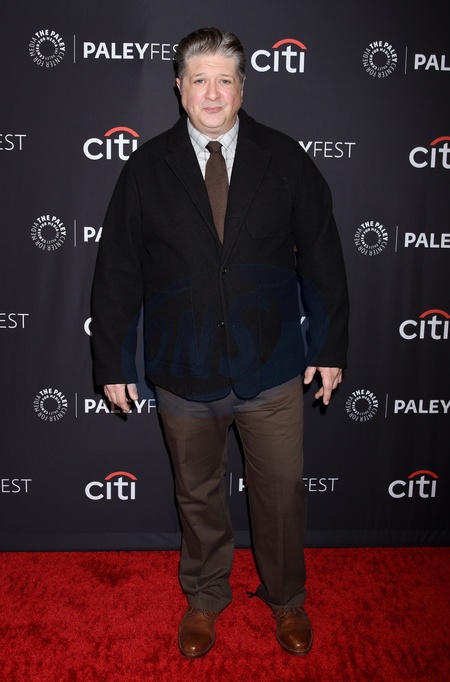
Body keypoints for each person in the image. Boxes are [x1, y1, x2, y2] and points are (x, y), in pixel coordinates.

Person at [91, 27, 349, 659]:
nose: (212, 93)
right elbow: (118, 270)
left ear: (242, 88)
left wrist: (328, 348)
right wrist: (114, 360)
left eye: (224, 80)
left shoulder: (285, 158)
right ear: (180, 89)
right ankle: (205, 597)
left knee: (281, 494)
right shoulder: (146, 168)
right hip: (183, 371)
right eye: (200, 80)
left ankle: (286, 597)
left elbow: (323, 258)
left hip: (273, 368)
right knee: (198, 495)